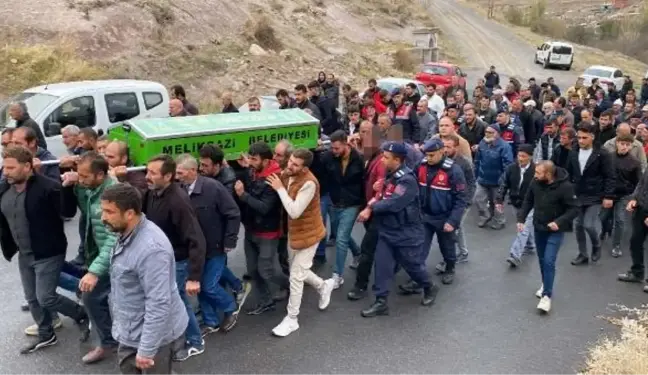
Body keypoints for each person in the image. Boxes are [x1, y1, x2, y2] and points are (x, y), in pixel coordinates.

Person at [0, 146, 89, 354]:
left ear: (27, 166)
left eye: (11, 168)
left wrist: (67, 187)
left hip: (49, 251)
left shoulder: (48, 187)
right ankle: (46, 334)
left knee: (45, 297)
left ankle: (82, 313)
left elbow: (67, 211)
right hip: (24, 253)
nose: (6, 172)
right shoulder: (5, 189)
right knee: (32, 298)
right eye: (5, 167)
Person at [100, 183, 188, 375]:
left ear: (130, 213)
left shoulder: (151, 250)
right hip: (131, 331)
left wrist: (147, 349)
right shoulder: (125, 231)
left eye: (109, 212)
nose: (103, 217)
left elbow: (158, 303)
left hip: (154, 338)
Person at [358, 142, 438, 317]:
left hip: (405, 233)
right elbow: (383, 195)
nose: (383, 160)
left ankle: (429, 286)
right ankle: (381, 302)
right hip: (388, 230)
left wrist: (371, 209)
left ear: (397, 159)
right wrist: (378, 191)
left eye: (386, 157)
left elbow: (394, 204)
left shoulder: (407, 180)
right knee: (382, 265)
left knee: (413, 266)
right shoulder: (391, 175)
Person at [142, 154, 206, 361]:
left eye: (152, 173)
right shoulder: (152, 193)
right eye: (147, 171)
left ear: (168, 176)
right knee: (170, 302)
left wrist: (194, 276)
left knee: (178, 302)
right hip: (161, 261)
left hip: (178, 262)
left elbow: (196, 238)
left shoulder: (178, 201)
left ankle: (196, 341)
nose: (147, 176)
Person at [265, 148, 335, 336]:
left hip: (310, 235)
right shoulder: (288, 172)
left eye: (295, 164)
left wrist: (279, 188)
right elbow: (273, 173)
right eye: (290, 162)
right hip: (295, 233)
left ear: (304, 168)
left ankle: (292, 319)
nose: (290, 166)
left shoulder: (310, 183)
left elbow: (294, 211)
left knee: (295, 275)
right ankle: (323, 285)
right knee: (299, 270)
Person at [60, 152, 118, 364]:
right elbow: (84, 213)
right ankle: (108, 343)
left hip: (118, 259)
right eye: (79, 175)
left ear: (100, 174)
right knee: (91, 297)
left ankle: (147, 351)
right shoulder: (93, 190)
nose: (81, 179)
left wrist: (94, 271)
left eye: (85, 176)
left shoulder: (114, 194)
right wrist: (74, 184)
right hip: (103, 256)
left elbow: (114, 239)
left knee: (129, 303)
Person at [175, 154, 242, 336]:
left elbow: (233, 213)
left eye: (180, 172)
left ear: (192, 171)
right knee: (200, 287)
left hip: (215, 247)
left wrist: (230, 240)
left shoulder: (213, 188)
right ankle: (210, 321)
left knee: (208, 286)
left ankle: (230, 307)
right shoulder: (180, 189)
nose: (177, 176)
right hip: (195, 250)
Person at [517, 161, 579, 313]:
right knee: (542, 259)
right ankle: (546, 283)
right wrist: (521, 219)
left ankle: (546, 297)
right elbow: (528, 201)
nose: (535, 176)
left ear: (549, 174)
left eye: (538, 173)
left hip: (555, 230)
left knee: (549, 260)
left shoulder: (565, 187)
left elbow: (574, 209)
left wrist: (559, 222)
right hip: (539, 227)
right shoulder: (535, 182)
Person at [235, 142, 288, 315]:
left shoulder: (274, 178)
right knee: (252, 270)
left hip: (267, 232)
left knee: (267, 270)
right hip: (251, 229)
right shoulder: (253, 171)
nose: (250, 162)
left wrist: (243, 195)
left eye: (254, 159)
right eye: (249, 158)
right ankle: (266, 301)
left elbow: (264, 207)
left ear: (265, 161)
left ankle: (291, 285)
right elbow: (250, 180)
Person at [316, 130, 365, 289]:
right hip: (335, 202)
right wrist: (315, 153)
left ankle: (337, 275)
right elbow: (317, 170)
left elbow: (364, 182)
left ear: (346, 144)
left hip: (352, 204)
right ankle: (358, 253)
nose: (334, 151)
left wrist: (365, 206)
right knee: (340, 234)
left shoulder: (358, 159)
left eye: (337, 148)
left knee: (341, 238)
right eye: (332, 148)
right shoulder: (328, 157)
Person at [415, 138, 467, 285]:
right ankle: (418, 278)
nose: (428, 158)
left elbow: (460, 199)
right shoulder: (421, 165)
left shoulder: (453, 171)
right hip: (425, 216)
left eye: (432, 155)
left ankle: (450, 268)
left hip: (445, 217)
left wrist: (452, 221)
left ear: (441, 152)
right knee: (420, 248)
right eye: (426, 155)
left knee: (447, 247)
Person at [566, 123, 615, 266]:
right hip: (578, 193)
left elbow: (610, 176)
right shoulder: (574, 151)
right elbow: (568, 172)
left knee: (588, 224)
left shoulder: (602, 153)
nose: (580, 141)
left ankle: (596, 244)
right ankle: (582, 254)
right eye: (579, 137)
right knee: (578, 225)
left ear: (592, 137)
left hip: (595, 195)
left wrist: (608, 196)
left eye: (584, 138)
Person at [599, 133, 642, 257]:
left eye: (627, 145)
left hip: (623, 195)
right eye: (622, 144)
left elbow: (638, 182)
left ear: (631, 146)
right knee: (603, 217)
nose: (624, 147)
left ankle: (616, 245)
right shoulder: (608, 158)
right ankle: (603, 231)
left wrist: (633, 197)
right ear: (617, 143)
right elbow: (602, 175)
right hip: (608, 193)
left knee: (620, 220)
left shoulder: (635, 162)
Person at [496, 144, 536, 267]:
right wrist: (499, 200)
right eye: (519, 156)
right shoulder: (511, 168)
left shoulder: (536, 171)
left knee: (522, 227)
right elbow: (504, 184)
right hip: (515, 202)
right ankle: (530, 245)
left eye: (524, 156)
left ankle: (515, 255)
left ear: (530, 157)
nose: (520, 159)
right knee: (524, 227)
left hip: (530, 204)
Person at [474, 124, 514, 229]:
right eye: (486, 132)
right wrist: (476, 174)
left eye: (491, 132)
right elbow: (477, 160)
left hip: (498, 180)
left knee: (497, 202)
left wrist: (504, 179)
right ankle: (485, 216)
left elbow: (508, 165)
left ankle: (499, 221)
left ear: (498, 134)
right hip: (482, 178)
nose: (487, 134)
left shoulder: (505, 146)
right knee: (478, 199)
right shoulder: (482, 143)